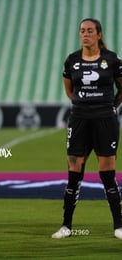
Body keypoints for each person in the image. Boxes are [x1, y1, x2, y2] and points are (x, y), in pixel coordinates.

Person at [52, 18, 122, 239]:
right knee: (74, 174)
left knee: (107, 174)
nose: (85, 34)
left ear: (99, 34)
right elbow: (70, 91)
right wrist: (84, 106)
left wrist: (108, 106)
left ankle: (119, 226)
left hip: (105, 121)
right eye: (82, 31)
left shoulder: (112, 60)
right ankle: (66, 226)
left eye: (90, 31)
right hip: (79, 121)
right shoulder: (71, 61)